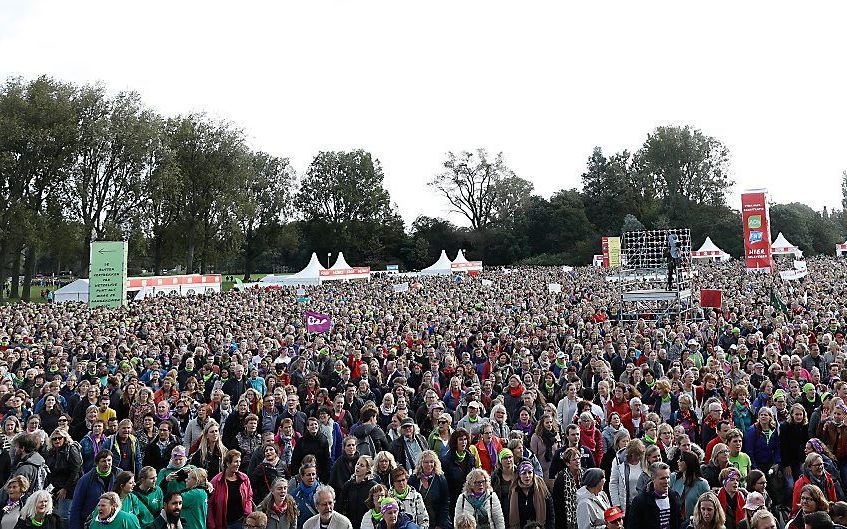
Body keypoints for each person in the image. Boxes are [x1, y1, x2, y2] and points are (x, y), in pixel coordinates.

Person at [69, 450, 117, 529]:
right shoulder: (85, 480)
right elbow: (76, 506)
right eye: (103, 461)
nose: (107, 464)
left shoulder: (118, 474)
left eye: (109, 460)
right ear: (97, 463)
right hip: (92, 521)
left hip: (113, 521)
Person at [625, 462, 681, 529]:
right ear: (653, 479)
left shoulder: (674, 497)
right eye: (662, 478)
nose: (666, 481)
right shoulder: (640, 501)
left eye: (668, 477)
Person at [44, 427, 82, 525]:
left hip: (68, 489)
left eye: (59, 438)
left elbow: (75, 472)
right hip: (54, 488)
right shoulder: (50, 452)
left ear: (64, 438)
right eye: (54, 438)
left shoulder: (71, 450)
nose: (57, 440)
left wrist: (65, 488)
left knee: (64, 516)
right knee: (54, 515)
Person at [208, 449, 254, 529]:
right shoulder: (216, 481)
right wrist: (212, 525)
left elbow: (249, 497)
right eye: (236, 462)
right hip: (223, 524)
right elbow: (210, 505)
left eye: (239, 461)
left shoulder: (244, 479)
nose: (238, 464)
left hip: (241, 522)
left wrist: (248, 512)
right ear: (227, 463)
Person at [508, 462, 553, 529]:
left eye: (530, 472)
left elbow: (550, 512)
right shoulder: (514, 490)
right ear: (519, 475)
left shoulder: (541, 487)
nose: (527, 476)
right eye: (523, 473)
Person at [442, 429, 477, 514]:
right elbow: (444, 485)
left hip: (469, 498)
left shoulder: (470, 457)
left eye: (465, 439)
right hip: (453, 500)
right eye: (460, 439)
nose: (463, 442)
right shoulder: (446, 460)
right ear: (455, 442)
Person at [670, 451, 710, 521]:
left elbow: (708, 504)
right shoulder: (674, 478)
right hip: (675, 522)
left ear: (688, 462)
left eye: (681, 459)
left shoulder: (702, 484)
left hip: (695, 523)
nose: (678, 461)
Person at [340, 456, 378, 529]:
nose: (358, 467)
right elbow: (341, 504)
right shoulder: (348, 485)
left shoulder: (373, 486)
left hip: (367, 523)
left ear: (368, 469)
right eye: (357, 464)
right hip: (350, 523)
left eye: (362, 465)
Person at [610, 438, 645, 515]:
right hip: (626, 506)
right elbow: (613, 483)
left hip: (643, 505)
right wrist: (616, 505)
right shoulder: (618, 461)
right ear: (630, 454)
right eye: (636, 456)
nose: (638, 458)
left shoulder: (644, 461)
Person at [552, 447, 581, 529]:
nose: (578, 461)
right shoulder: (561, 479)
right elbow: (557, 504)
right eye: (574, 460)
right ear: (568, 463)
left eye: (578, 458)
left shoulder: (585, 475)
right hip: (565, 518)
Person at [293, 462, 322, 529]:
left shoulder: (323, 492)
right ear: (302, 476)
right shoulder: (295, 494)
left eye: (313, 474)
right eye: (308, 475)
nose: (311, 477)